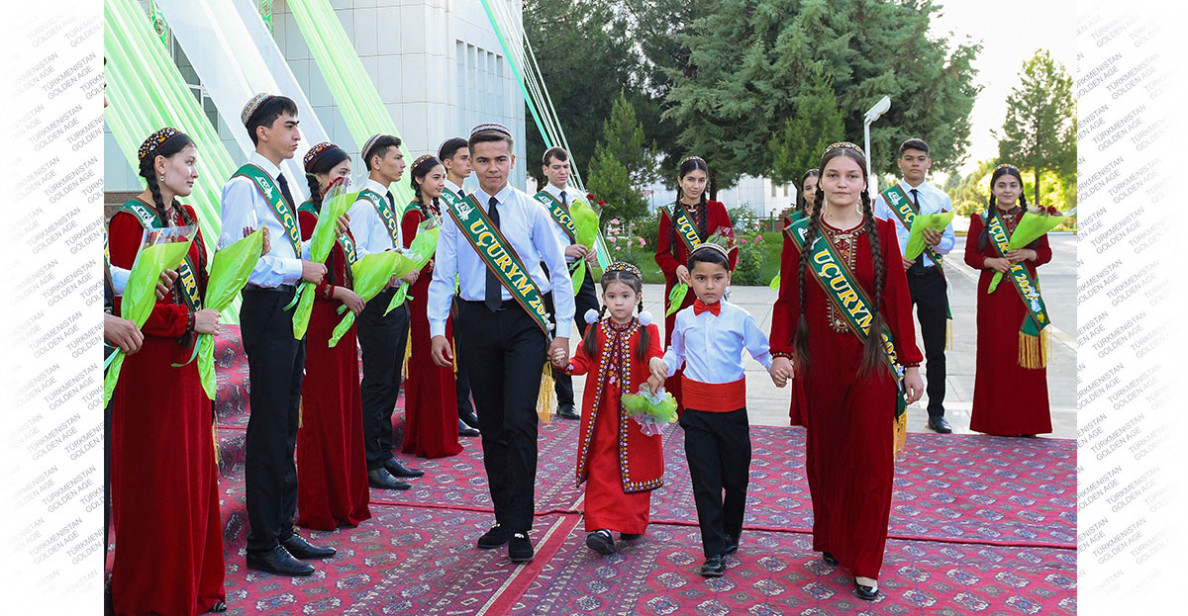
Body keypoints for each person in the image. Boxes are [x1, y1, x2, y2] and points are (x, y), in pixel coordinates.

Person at [769, 142, 925, 600]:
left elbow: (897, 301)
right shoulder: (800, 235)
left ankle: (866, 560)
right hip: (820, 363)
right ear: (820, 183)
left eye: (851, 176)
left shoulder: (883, 233)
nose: (842, 184)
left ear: (864, 183)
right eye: (833, 176)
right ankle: (836, 538)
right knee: (828, 456)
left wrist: (912, 364)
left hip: (873, 363)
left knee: (873, 460)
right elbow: (787, 302)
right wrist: (781, 352)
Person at [428, 122, 574, 563]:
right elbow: (442, 275)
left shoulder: (531, 210)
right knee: (491, 424)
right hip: (475, 322)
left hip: (523, 322)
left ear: (513, 161)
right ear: (470, 164)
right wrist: (438, 328)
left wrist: (563, 330)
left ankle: (522, 525)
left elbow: (558, 271)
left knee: (518, 420)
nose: (492, 168)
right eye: (484, 161)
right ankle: (503, 516)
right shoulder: (458, 213)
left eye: (501, 160)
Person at [109, 127, 226, 614]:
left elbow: (197, 283)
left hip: (187, 366)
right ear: (161, 165)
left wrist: (238, 261)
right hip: (149, 369)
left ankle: (195, 586)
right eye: (189, 162)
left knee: (193, 478)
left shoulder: (190, 216)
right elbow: (125, 304)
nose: (196, 172)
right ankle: (154, 595)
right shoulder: (127, 221)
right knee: (157, 483)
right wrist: (185, 319)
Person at [219, 93, 336, 577]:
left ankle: (284, 528)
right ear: (263, 131)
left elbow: (284, 249)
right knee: (268, 428)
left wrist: (315, 239)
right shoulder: (245, 186)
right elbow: (241, 259)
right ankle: (264, 542)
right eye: (289, 126)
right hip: (268, 310)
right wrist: (298, 265)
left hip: (289, 308)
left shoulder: (278, 179)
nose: (297, 134)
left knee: (287, 418)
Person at [649, 243, 775, 578]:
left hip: (732, 411)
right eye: (701, 278)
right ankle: (713, 550)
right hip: (698, 413)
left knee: (735, 479)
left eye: (717, 278)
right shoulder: (684, 318)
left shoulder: (740, 318)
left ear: (728, 278)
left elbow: (761, 350)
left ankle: (731, 530)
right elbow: (676, 353)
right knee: (705, 481)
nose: (709, 285)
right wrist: (664, 365)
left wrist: (775, 366)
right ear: (689, 279)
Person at [549, 263, 663, 556]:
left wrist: (655, 364)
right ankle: (599, 526)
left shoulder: (647, 330)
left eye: (625, 296)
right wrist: (566, 365)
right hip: (601, 416)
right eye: (612, 296)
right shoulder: (595, 328)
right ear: (603, 299)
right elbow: (582, 361)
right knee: (601, 465)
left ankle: (631, 522)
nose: (618, 302)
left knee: (634, 464)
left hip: (635, 416)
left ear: (638, 297)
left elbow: (654, 355)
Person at [294, 142, 371, 530]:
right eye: (339, 173)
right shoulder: (308, 217)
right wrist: (337, 292)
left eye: (348, 173)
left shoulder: (339, 215)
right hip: (321, 321)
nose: (346, 180)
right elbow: (305, 273)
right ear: (320, 178)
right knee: (322, 411)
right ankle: (321, 503)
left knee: (343, 407)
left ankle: (345, 498)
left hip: (343, 322)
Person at [347, 133, 425, 490]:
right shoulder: (364, 205)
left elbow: (388, 248)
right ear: (375, 162)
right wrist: (395, 271)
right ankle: (369, 460)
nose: (401, 164)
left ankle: (382, 450)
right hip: (377, 300)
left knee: (392, 379)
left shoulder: (388, 199)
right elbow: (358, 258)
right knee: (377, 381)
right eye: (395, 157)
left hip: (395, 296)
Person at [964, 164, 1054, 436]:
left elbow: (1046, 253)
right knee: (996, 355)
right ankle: (994, 422)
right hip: (993, 299)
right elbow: (970, 256)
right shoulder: (980, 220)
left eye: (1012, 185)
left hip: (1024, 297)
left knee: (1026, 358)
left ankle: (1029, 423)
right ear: (992, 189)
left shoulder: (1034, 218)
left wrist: (1028, 254)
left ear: (1020, 189)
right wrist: (990, 260)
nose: (1007, 190)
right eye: (1001, 185)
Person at [873, 138, 955, 433]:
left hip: (931, 277)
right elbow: (877, 239)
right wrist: (894, 259)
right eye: (909, 159)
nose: (915, 164)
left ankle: (937, 412)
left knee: (935, 348)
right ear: (900, 163)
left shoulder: (939, 197)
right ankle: (891, 406)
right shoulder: (885, 200)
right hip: (900, 278)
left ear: (929, 163)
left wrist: (938, 242)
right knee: (892, 343)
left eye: (921, 158)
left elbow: (949, 242)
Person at [654, 156, 736, 409]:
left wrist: (718, 278)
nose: (695, 185)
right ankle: (678, 403)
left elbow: (731, 249)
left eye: (701, 180)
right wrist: (677, 267)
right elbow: (661, 254)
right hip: (680, 291)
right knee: (678, 345)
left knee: (711, 343)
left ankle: (710, 401)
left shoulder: (717, 209)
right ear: (680, 181)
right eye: (690, 179)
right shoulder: (670, 214)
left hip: (709, 291)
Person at [400, 154, 465, 458]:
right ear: (419, 180)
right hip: (423, 292)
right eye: (435, 178)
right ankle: (426, 437)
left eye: (442, 177)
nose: (441, 183)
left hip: (440, 289)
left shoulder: (440, 210)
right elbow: (411, 258)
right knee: (427, 362)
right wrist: (435, 265)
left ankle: (443, 433)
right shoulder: (413, 214)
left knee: (444, 361)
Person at [537, 146, 600, 420]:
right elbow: (535, 243)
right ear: (546, 170)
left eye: (566, 168)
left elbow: (589, 231)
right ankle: (565, 400)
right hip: (552, 273)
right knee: (557, 334)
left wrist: (592, 248)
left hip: (581, 273)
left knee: (594, 329)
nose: (562, 172)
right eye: (557, 168)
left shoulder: (579, 197)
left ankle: (602, 390)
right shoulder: (538, 202)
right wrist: (564, 251)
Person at [438, 137, 481, 437]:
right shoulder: (443, 199)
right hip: (452, 286)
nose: (470, 163)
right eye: (464, 158)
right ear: (448, 163)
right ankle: (457, 410)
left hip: (469, 285)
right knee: (457, 350)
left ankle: (464, 408)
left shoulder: (466, 198)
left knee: (467, 352)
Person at [785, 168, 819, 428]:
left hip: (828, 292)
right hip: (802, 293)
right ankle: (804, 412)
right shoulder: (794, 221)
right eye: (808, 188)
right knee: (803, 354)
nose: (814, 192)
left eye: (817, 186)